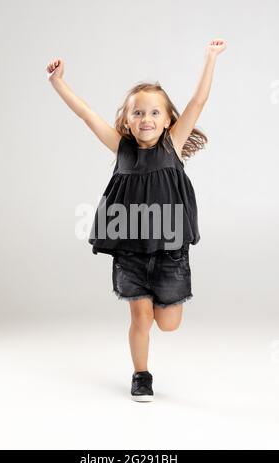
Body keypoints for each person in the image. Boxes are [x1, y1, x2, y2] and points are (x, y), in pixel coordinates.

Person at [46, 38, 226, 402]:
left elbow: (198, 102)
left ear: (168, 120)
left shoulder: (172, 144)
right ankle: (141, 375)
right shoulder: (122, 148)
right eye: (138, 113)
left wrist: (210, 58)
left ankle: (164, 307)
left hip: (170, 251)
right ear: (127, 120)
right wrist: (59, 82)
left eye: (154, 113)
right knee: (140, 319)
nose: (146, 119)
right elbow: (86, 114)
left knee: (169, 323)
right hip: (130, 249)